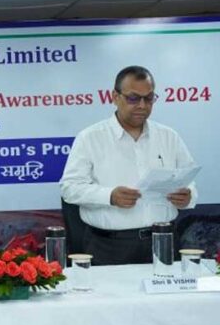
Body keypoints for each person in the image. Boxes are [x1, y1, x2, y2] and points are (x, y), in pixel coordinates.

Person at [60, 66, 197, 265]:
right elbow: (69, 188)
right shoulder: (90, 138)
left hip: (164, 240)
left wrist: (188, 197)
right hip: (109, 246)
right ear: (115, 97)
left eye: (149, 98)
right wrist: (109, 196)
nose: (142, 105)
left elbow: (188, 179)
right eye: (133, 98)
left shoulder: (169, 136)